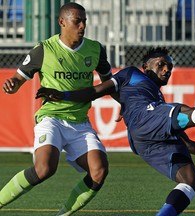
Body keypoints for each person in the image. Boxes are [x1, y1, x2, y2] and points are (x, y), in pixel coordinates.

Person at [35, 47, 195, 216]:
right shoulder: (132, 74)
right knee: (183, 112)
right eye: (161, 64)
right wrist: (63, 95)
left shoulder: (157, 97)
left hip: (146, 142)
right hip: (144, 120)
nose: (166, 69)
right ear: (145, 66)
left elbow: (188, 144)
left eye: (169, 66)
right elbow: (95, 91)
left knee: (191, 181)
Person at [1, 2, 112, 215]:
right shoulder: (44, 50)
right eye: (77, 21)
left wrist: (124, 104)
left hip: (80, 122)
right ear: (62, 21)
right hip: (51, 118)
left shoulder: (95, 49)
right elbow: (17, 78)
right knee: (44, 169)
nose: (82, 26)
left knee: (99, 171)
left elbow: (110, 83)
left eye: (84, 21)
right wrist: (11, 84)